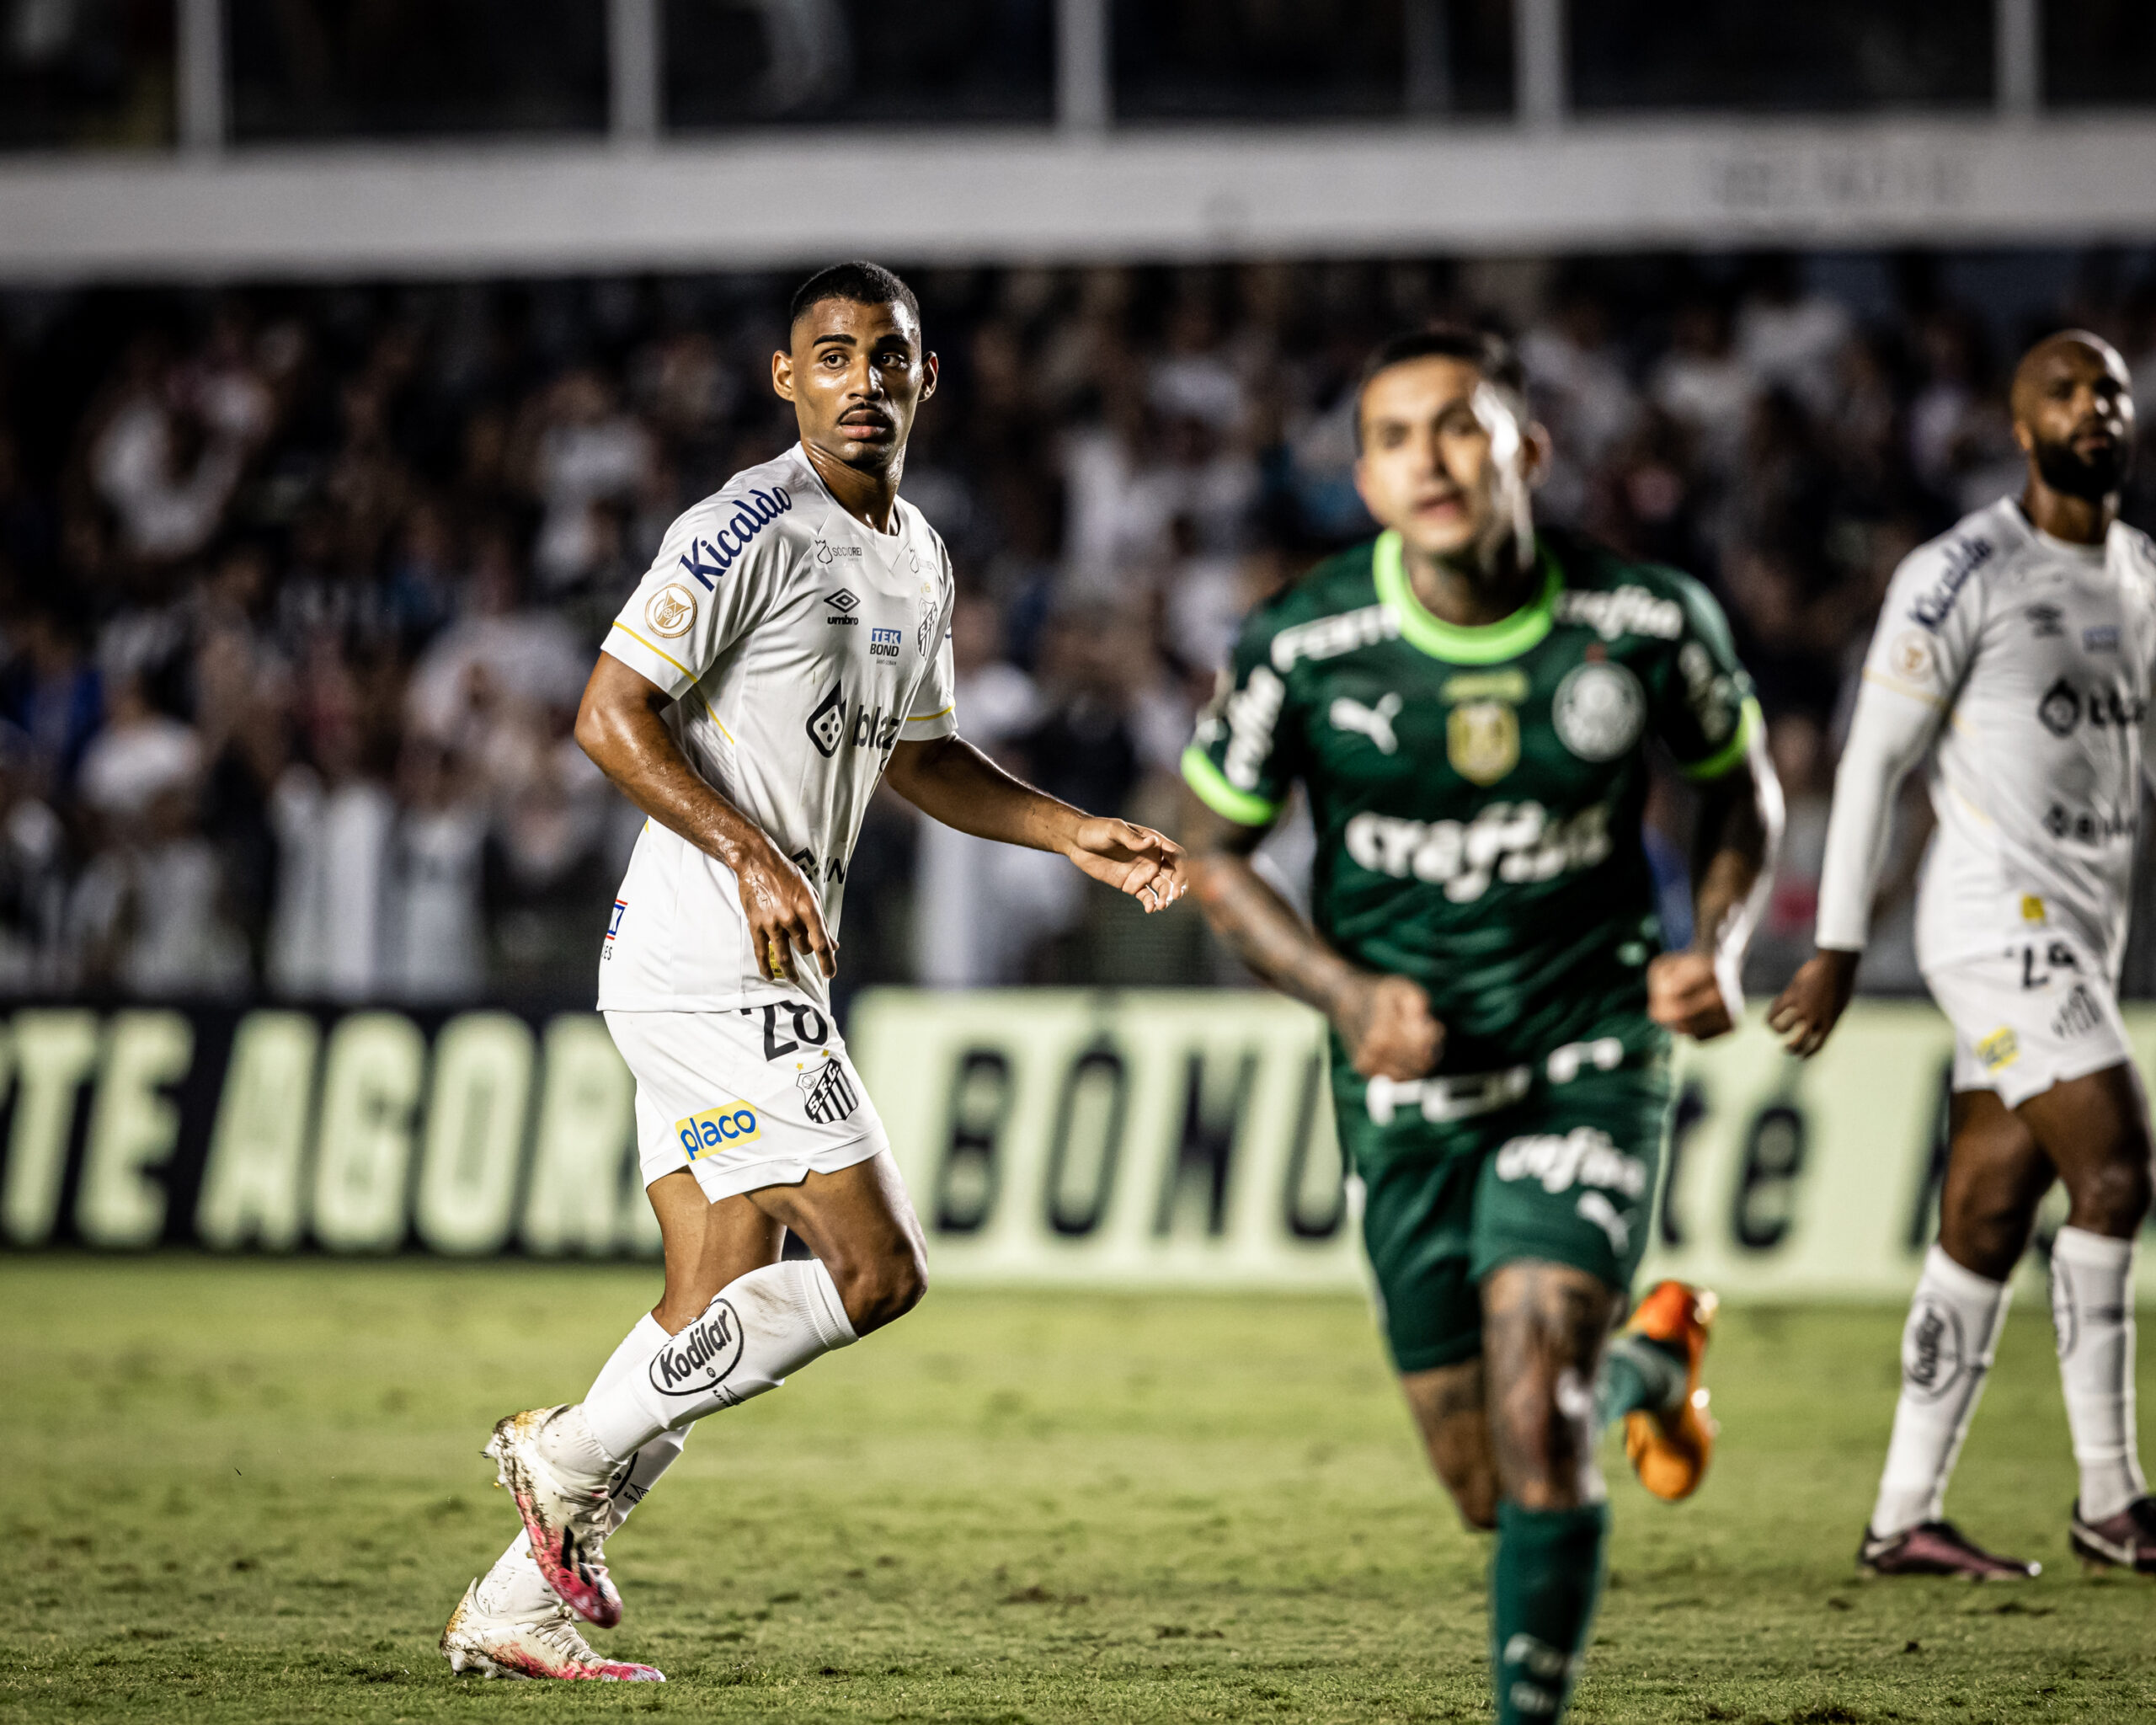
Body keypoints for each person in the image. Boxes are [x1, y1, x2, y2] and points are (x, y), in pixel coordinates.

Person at [437, 262, 1187, 1682]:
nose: (863, 381)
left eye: (887, 356)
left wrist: (1067, 830)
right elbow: (608, 714)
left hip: (748, 959)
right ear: (787, 379)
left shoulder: (920, 556)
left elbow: (920, 756)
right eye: (831, 356)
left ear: (925, 378)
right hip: (712, 954)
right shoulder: (744, 526)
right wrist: (749, 854)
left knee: (712, 1297)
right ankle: (566, 1451)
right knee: (878, 1269)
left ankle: (515, 1604)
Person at [1181, 326, 1780, 1725]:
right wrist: (1347, 994)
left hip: (1587, 1050)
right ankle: (1649, 1362)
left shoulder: (1644, 620)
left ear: (1529, 449)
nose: (1431, 460)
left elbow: (1739, 787)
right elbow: (1213, 853)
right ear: (1364, 481)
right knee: (1484, 1483)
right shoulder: (1305, 643)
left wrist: (1716, 944)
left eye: (1460, 425)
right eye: (1394, 438)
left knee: (1536, 1416)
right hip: (1406, 1084)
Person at [1770, 330, 2156, 1580]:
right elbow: (1872, 763)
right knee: (2118, 1170)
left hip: (2085, 926)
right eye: (2065, 392)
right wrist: (1837, 945)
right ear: (2020, 425)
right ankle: (2112, 1498)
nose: (2094, 409)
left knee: (1989, 1212)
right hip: (1993, 919)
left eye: (2111, 391)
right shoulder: (1961, 572)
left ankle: (1904, 1517)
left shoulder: (2142, 574)